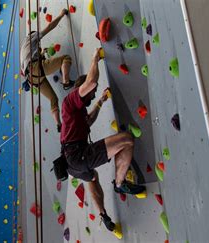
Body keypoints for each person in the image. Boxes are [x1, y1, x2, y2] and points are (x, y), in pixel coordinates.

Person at [60, 48, 146, 232]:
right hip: (78, 154)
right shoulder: (70, 101)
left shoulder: (76, 109)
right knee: (127, 140)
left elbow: (88, 121)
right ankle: (120, 184)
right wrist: (94, 58)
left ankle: (103, 215)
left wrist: (100, 101)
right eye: (92, 93)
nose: (93, 94)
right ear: (82, 91)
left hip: (71, 164)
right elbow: (91, 81)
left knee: (92, 177)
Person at [20, 8, 76, 132]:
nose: (39, 44)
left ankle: (58, 124)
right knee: (65, 59)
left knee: (53, 99)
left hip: (32, 79)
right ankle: (66, 81)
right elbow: (50, 26)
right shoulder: (32, 37)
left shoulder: (24, 49)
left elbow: (35, 58)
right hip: (35, 69)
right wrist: (61, 15)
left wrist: (42, 54)